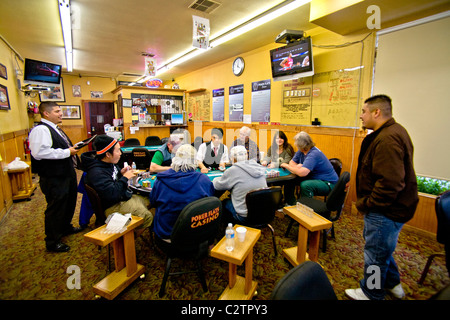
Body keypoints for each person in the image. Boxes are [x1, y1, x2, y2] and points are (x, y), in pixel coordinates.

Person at [345, 95, 418, 300]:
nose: (361, 116)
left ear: (376, 112)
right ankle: (392, 283)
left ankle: (372, 291)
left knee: (375, 254)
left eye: (364, 111)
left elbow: (390, 183)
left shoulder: (387, 138)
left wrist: (368, 204)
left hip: (384, 209)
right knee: (382, 248)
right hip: (393, 208)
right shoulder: (394, 131)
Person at [29, 101, 82, 252]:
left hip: (66, 172)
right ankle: (52, 241)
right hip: (54, 176)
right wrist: (67, 152)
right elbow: (39, 153)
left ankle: (65, 227)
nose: (61, 114)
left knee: (69, 202)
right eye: (57, 111)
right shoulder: (41, 130)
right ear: (46, 113)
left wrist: (71, 149)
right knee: (56, 207)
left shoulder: (55, 128)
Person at [81, 135, 153, 232]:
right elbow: (112, 194)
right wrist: (125, 178)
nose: (120, 153)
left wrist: (121, 173)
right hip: (112, 207)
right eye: (118, 150)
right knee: (148, 216)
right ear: (107, 154)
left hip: (120, 199)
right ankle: (129, 236)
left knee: (153, 198)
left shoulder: (108, 163)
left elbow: (113, 177)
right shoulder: (97, 173)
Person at [150, 144, 215, 241]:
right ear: (194, 160)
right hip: (197, 234)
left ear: (175, 159)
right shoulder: (205, 180)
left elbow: (153, 203)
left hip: (166, 234)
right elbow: (210, 203)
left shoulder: (160, 181)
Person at [280, 131, 338, 205]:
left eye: (298, 145)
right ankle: (290, 203)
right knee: (290, 179)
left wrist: (286, 165)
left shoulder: (314, 154)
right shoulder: (301, 151)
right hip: (313, 177)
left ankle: (306, 208)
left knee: (306, 185)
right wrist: (297, 167)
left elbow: (302, 173)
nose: (297, 146)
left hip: (327, 182)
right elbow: (292, 162)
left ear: (302, 145)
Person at [213, 145, 267, 222]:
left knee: (224, 202)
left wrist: (216, 179)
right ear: (246, 156)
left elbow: (218, 186)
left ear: (233, 158)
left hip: (245, 216)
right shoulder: (258, 167)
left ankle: (228, 226)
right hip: (264, 212)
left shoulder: (232, 170)